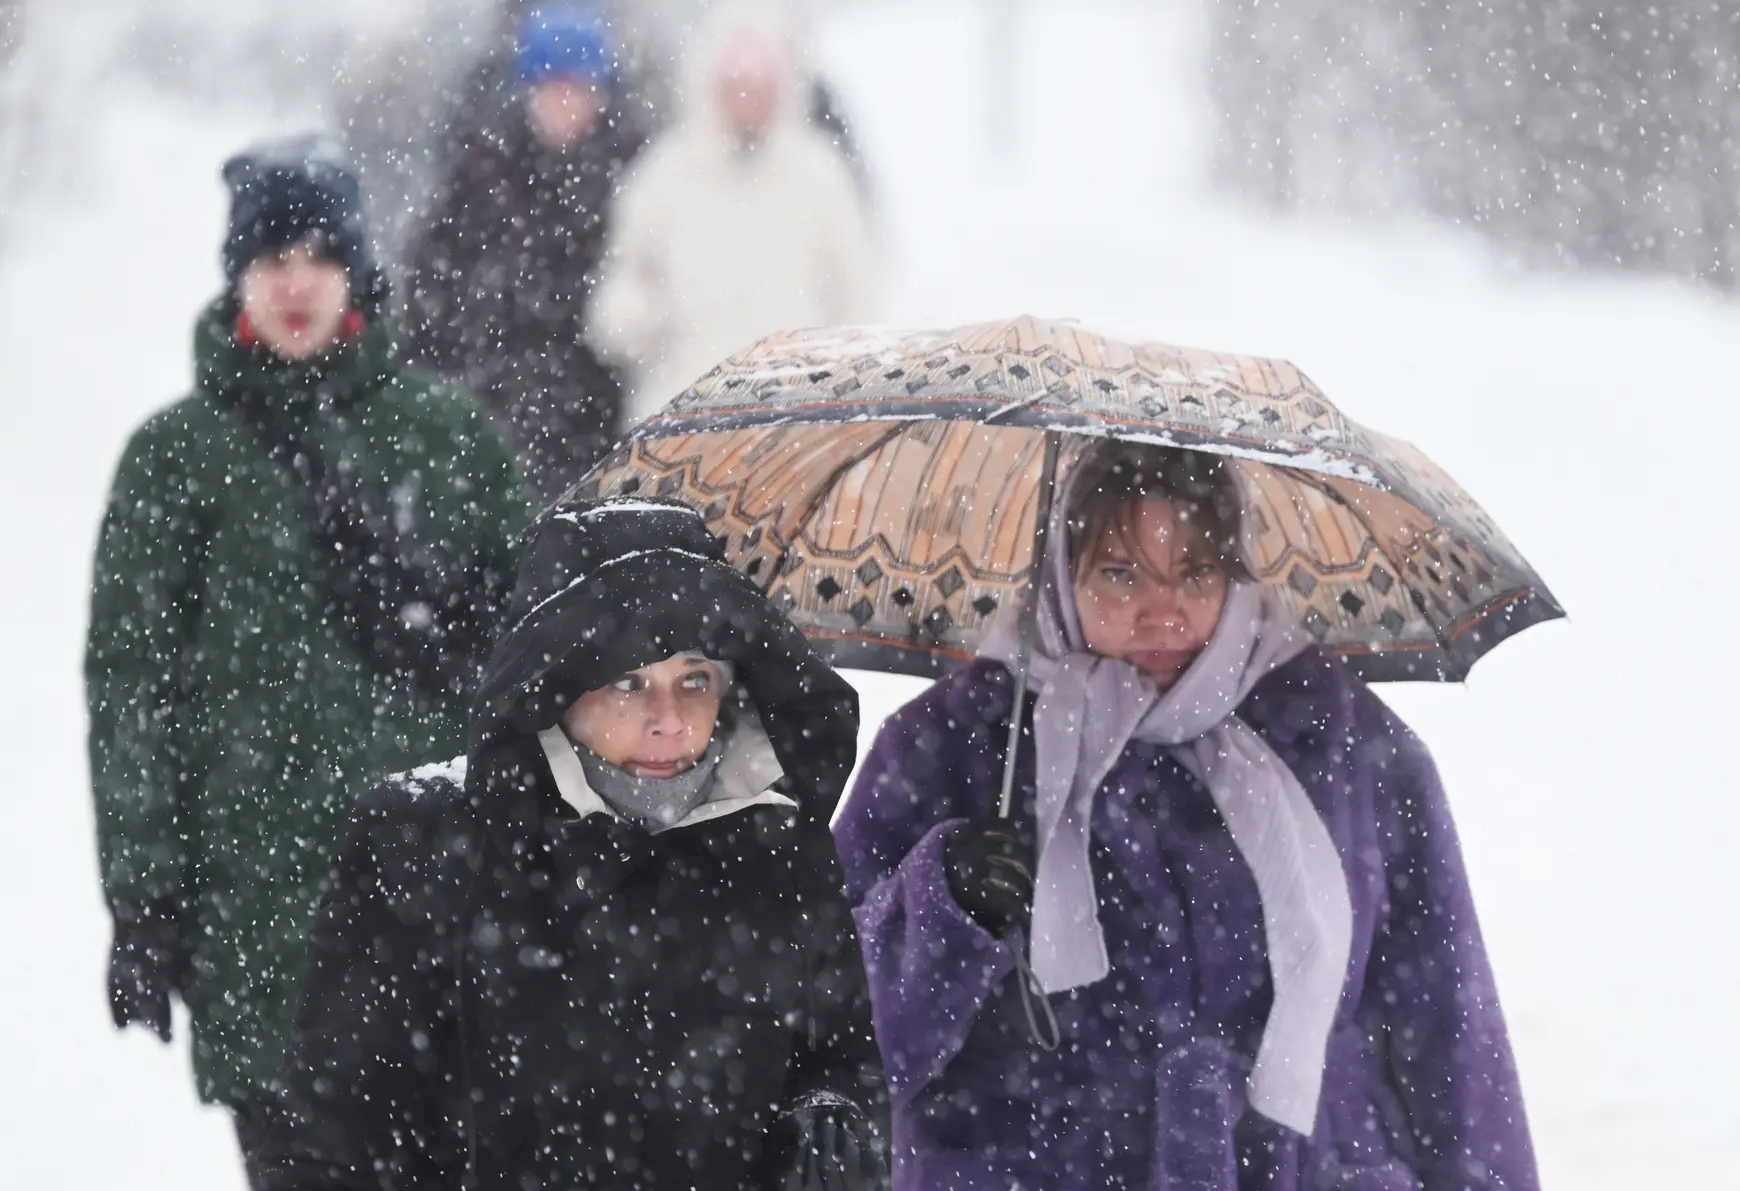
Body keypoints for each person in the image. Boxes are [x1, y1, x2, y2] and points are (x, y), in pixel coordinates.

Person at [833, 444, 1541, 1189]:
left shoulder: (1349, 745)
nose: (1163, 612)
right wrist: (942, 906)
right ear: (1060, 576)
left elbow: (1453, 1036)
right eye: (1119, 572)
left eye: (1197, 572)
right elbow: (833, 1041)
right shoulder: (954, 745)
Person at [85, 135, 535, 1186]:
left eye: (320, 257)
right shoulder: (177, 460)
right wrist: (144, 895)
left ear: (359, 274)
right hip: (256, 920)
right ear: (237, 274)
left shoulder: (453, 440)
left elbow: (544, 655)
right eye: (271, 257)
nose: (296, 282)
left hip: (441, 922)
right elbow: (130, 691)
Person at [254, 496, 890, 1190]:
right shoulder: (425, 839)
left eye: (696, 680)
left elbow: (844, 1059)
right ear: (551, 687)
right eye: (628, 681)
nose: (669, 721)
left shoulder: (777, 841)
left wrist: (832, 1127)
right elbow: (330, 1134)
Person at [589, 0, 880, 424]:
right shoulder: (664, 175)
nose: (748, 98)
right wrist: (632, 315)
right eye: (736, 84)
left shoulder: (820, 177)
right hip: (680, 419)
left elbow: (860, 299)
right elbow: (619, 288)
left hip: (796, 423)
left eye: (761, 85)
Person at [405, 4, 646, 498]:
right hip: (494, 402)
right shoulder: (480, 167)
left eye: (577, 88)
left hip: (597, 411)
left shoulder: (635, 173)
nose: (565, 102)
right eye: (552, 86)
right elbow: (430, 283)